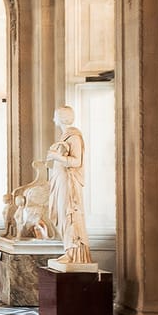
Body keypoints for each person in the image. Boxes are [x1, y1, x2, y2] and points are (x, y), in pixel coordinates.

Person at [46, 106, 93, 266]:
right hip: (61, 180)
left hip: (68, 182)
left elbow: (76, 161)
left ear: (61, 118)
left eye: (55, 116)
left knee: (69, 214)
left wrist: (56, 156)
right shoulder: (66, 136)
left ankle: (74, 252)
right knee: (61, 214)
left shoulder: (74, 137)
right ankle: (68, 251)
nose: (53, 120)